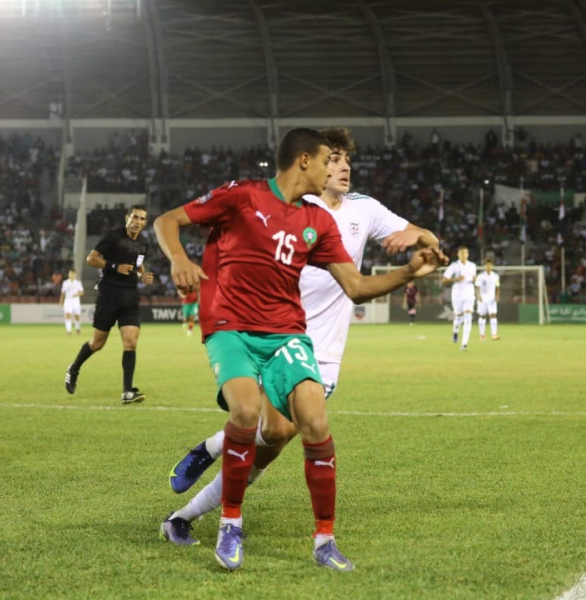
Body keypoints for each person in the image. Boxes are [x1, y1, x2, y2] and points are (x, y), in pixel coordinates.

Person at [153, 127, 446, 572]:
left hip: (297, 341)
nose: (339, 167)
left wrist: (411, 269)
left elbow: (359, 285)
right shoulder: (248, 198)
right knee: (256, 421)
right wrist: (178, 258)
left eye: (343, 160)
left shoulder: (338, 218)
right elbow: (169, 220)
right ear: (307, 161)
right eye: (332, 159)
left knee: (293, 429)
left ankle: (318, 537)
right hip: (240, 328)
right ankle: (218, 518)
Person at [64, 205, 154, 404]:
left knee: (131, 341)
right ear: (127, 218)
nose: (138, 221)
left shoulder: (144, 243)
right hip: (109, 295)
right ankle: (74, 368)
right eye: (135, 217)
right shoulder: (113, 237)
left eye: (142, 219)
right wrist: (114, 266)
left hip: (130, 296)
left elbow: (138, 264)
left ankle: (127, 391)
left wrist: (143, 275)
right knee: (97, 343)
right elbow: (91, 259)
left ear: (145, 223)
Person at [441, 246, 477, 350]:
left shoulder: (472, 266)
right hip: (457, 294)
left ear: (468, 254)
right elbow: (444, 280)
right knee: (458, 317)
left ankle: (464, 344)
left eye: (465, 253)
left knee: (468, 317)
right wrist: (456, 279)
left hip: (469, 293)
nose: (464, 255)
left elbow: (474, 279)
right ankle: (455, 330)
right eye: (462, 253)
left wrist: (475, 280)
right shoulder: (454, 266)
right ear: (458, 254)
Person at [475, 258, 500, 341]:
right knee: (482, 316)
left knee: (493, 315)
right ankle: (482, 335)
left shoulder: (496, 276)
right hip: (483, 298)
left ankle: (494, 334)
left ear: (492, 266)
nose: (488, 266)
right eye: (487, 265)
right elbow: (477, 287)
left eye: (490, 265)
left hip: (492, 298)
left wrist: (497, 296)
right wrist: (478, 296)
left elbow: (497, 286)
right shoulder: (480, 276)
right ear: (484, 266)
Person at [59, 269, 84, 335]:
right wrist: (61, 301)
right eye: (70, 274)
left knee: (77, 316)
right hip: (68, 300)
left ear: (75, 275)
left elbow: (81, 292)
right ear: (68, 274)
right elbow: (63, 293)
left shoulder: (78, 283)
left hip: (76, 301)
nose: (71, 275)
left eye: (73, 274)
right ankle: (68, 331)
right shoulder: (65, 282)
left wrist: (77, 294)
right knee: (68, 315)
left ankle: (78, 329)